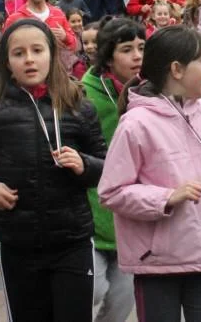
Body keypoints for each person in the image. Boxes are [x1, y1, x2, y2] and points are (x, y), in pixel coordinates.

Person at [0, 18, 108, 322]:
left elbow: (106, 167)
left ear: (51, 54)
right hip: (18, 244)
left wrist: (84, 164)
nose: (29, 59)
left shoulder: (78, 105)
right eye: (19, 53)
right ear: (7, 63)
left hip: (72, 241)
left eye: (37, 50)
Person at [98, 27, 201, 322]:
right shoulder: (135, 124)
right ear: (177, 70)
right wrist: (167, 197)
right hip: (158, 265)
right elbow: (111, 192)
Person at [81, 18, 145, 322]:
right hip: (91, 214)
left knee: (121, 302)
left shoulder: (150, 92)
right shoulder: (84, 95)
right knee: (91, 290)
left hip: (131, 216)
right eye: (127, 49)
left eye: (141, 47)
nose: (137, 56)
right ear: (108, 57)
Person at [4, 0, 78, 73]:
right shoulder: (15, 19)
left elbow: (75, 46)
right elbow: (6, 53)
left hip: (58, 75)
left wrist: (65, 37)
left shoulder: (58, 14)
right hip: (28, 78)